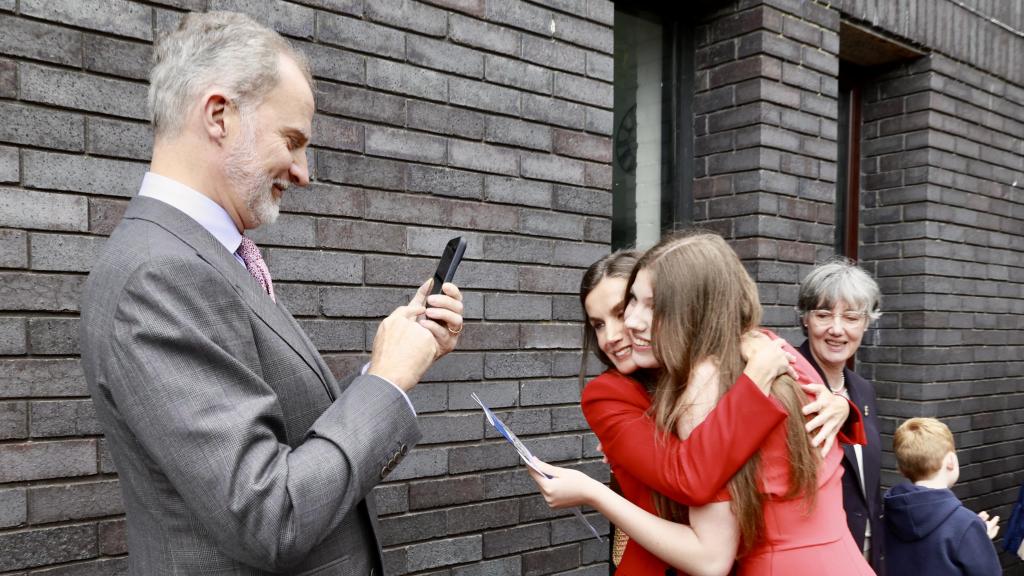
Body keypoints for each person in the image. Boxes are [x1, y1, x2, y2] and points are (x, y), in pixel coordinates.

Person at [78, 12, 463, 574]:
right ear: (219, 117)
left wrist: (396, 358)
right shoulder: (159, 278)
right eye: (292, 140)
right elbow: (269, 514)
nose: (304, 172)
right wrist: (386, 383)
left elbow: (282, 433)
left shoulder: (196, 257)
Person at [533, 233, 870, 575]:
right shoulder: (615, 393)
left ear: (684, 305)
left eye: (627, 309)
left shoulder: (743, 356)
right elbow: (689, 474)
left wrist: (838, 403)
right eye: (599, 325)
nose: (618, 332)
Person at [796, 259, 886, 571]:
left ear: (866, 323)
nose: (836, 329)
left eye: (850, 317)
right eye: (823, 315)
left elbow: (868, 490)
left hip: (862, 554)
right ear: (806, 318)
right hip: (812, 560)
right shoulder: (787, 385)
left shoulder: (863, 391)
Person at [884, 418, 1001, 575]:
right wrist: (978, 540)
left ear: (901, 469)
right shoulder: (966, 524)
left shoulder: (887, 515)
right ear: (951, 461)